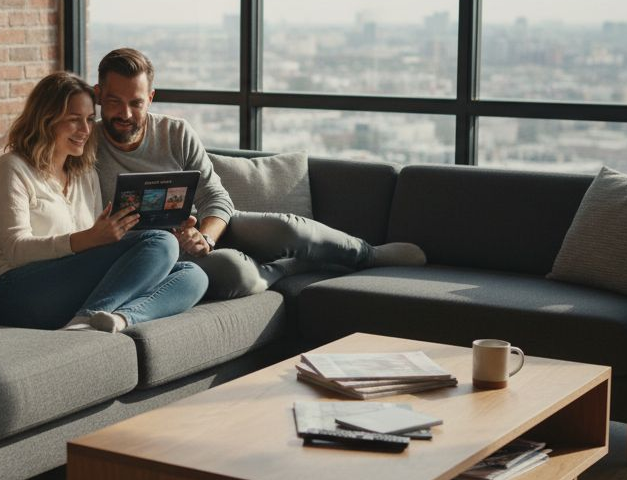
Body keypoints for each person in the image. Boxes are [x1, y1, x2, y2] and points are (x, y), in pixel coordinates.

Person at [92, 47, 427, 300]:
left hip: (203, 231)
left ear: (150, 98)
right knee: (235, 272)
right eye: (113, 102)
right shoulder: (85, 148)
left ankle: (366, 254)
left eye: (136, 103)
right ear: (98, 96)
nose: (125, 113)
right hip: (154, 256)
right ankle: (290, 267)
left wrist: (205, 237)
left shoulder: (175, 132)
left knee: (286, 227)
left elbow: (215, 197)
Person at [0, 72, 209, 332]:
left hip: (71, 287)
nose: (86, 130)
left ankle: (116, 319)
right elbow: (16, 250)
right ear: (45, 120)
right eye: (74, 120)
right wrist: (90, 238)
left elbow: (96, 251)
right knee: (160, 241)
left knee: (192, 274)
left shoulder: (84, 172)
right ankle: (91, 315)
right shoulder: (12, 169)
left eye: (89, 120)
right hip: (15, 291)